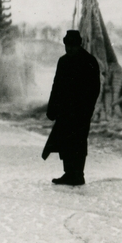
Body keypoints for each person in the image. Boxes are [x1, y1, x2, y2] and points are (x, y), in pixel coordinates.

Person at [42, 29, 101, 186]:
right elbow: (56, 86)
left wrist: (88, 109)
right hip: (65, 110)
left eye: (72, 46)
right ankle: (69, 173)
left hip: (81, 111)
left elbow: (95, 89)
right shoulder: (63, 61)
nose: (69, 49)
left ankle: (78, 175)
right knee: (65, 141)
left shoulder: (89, 61)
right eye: (67, 45)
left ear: (79, 45)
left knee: (79, 141)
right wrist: (52, 108)